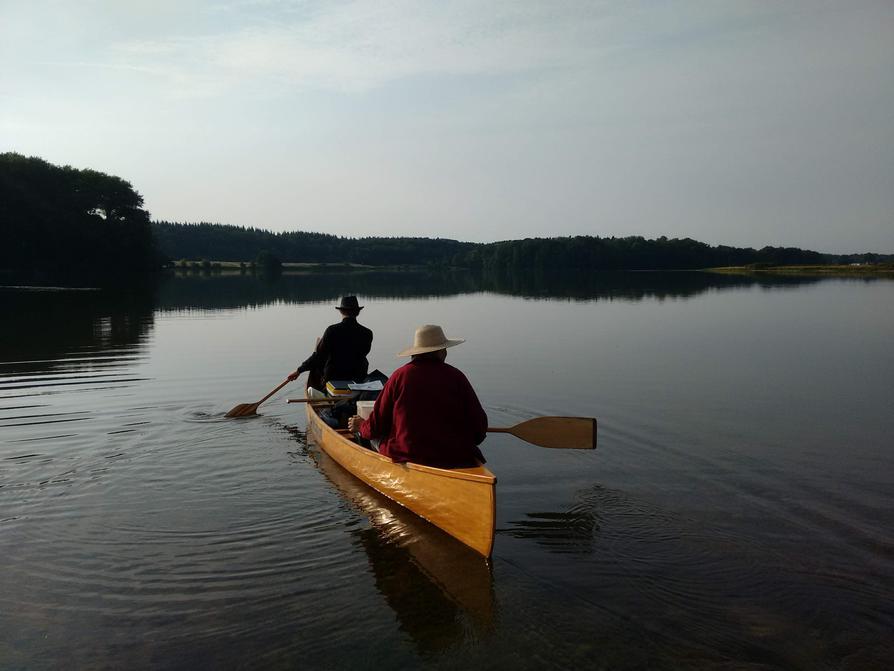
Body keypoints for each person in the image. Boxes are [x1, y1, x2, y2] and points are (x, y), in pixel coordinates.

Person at [347, 324, 487, 468]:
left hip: (409, 454)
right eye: (444, 349)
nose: (446, 353)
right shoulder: (457, 377)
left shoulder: (400, 376)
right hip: (457, 457)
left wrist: (361, 426)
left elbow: (376, 427)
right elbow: (479, 429)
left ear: (416, 353)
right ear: (441, 352)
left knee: (369, 436)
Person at [288, 296, 373, 388]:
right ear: (358, 312)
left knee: (319, 365)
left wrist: (298, 370)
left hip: (334, 378)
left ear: (341, 311)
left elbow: (318, 356)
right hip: (358, 378)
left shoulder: (332, 330)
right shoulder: (367, 333)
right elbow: (363, 353)